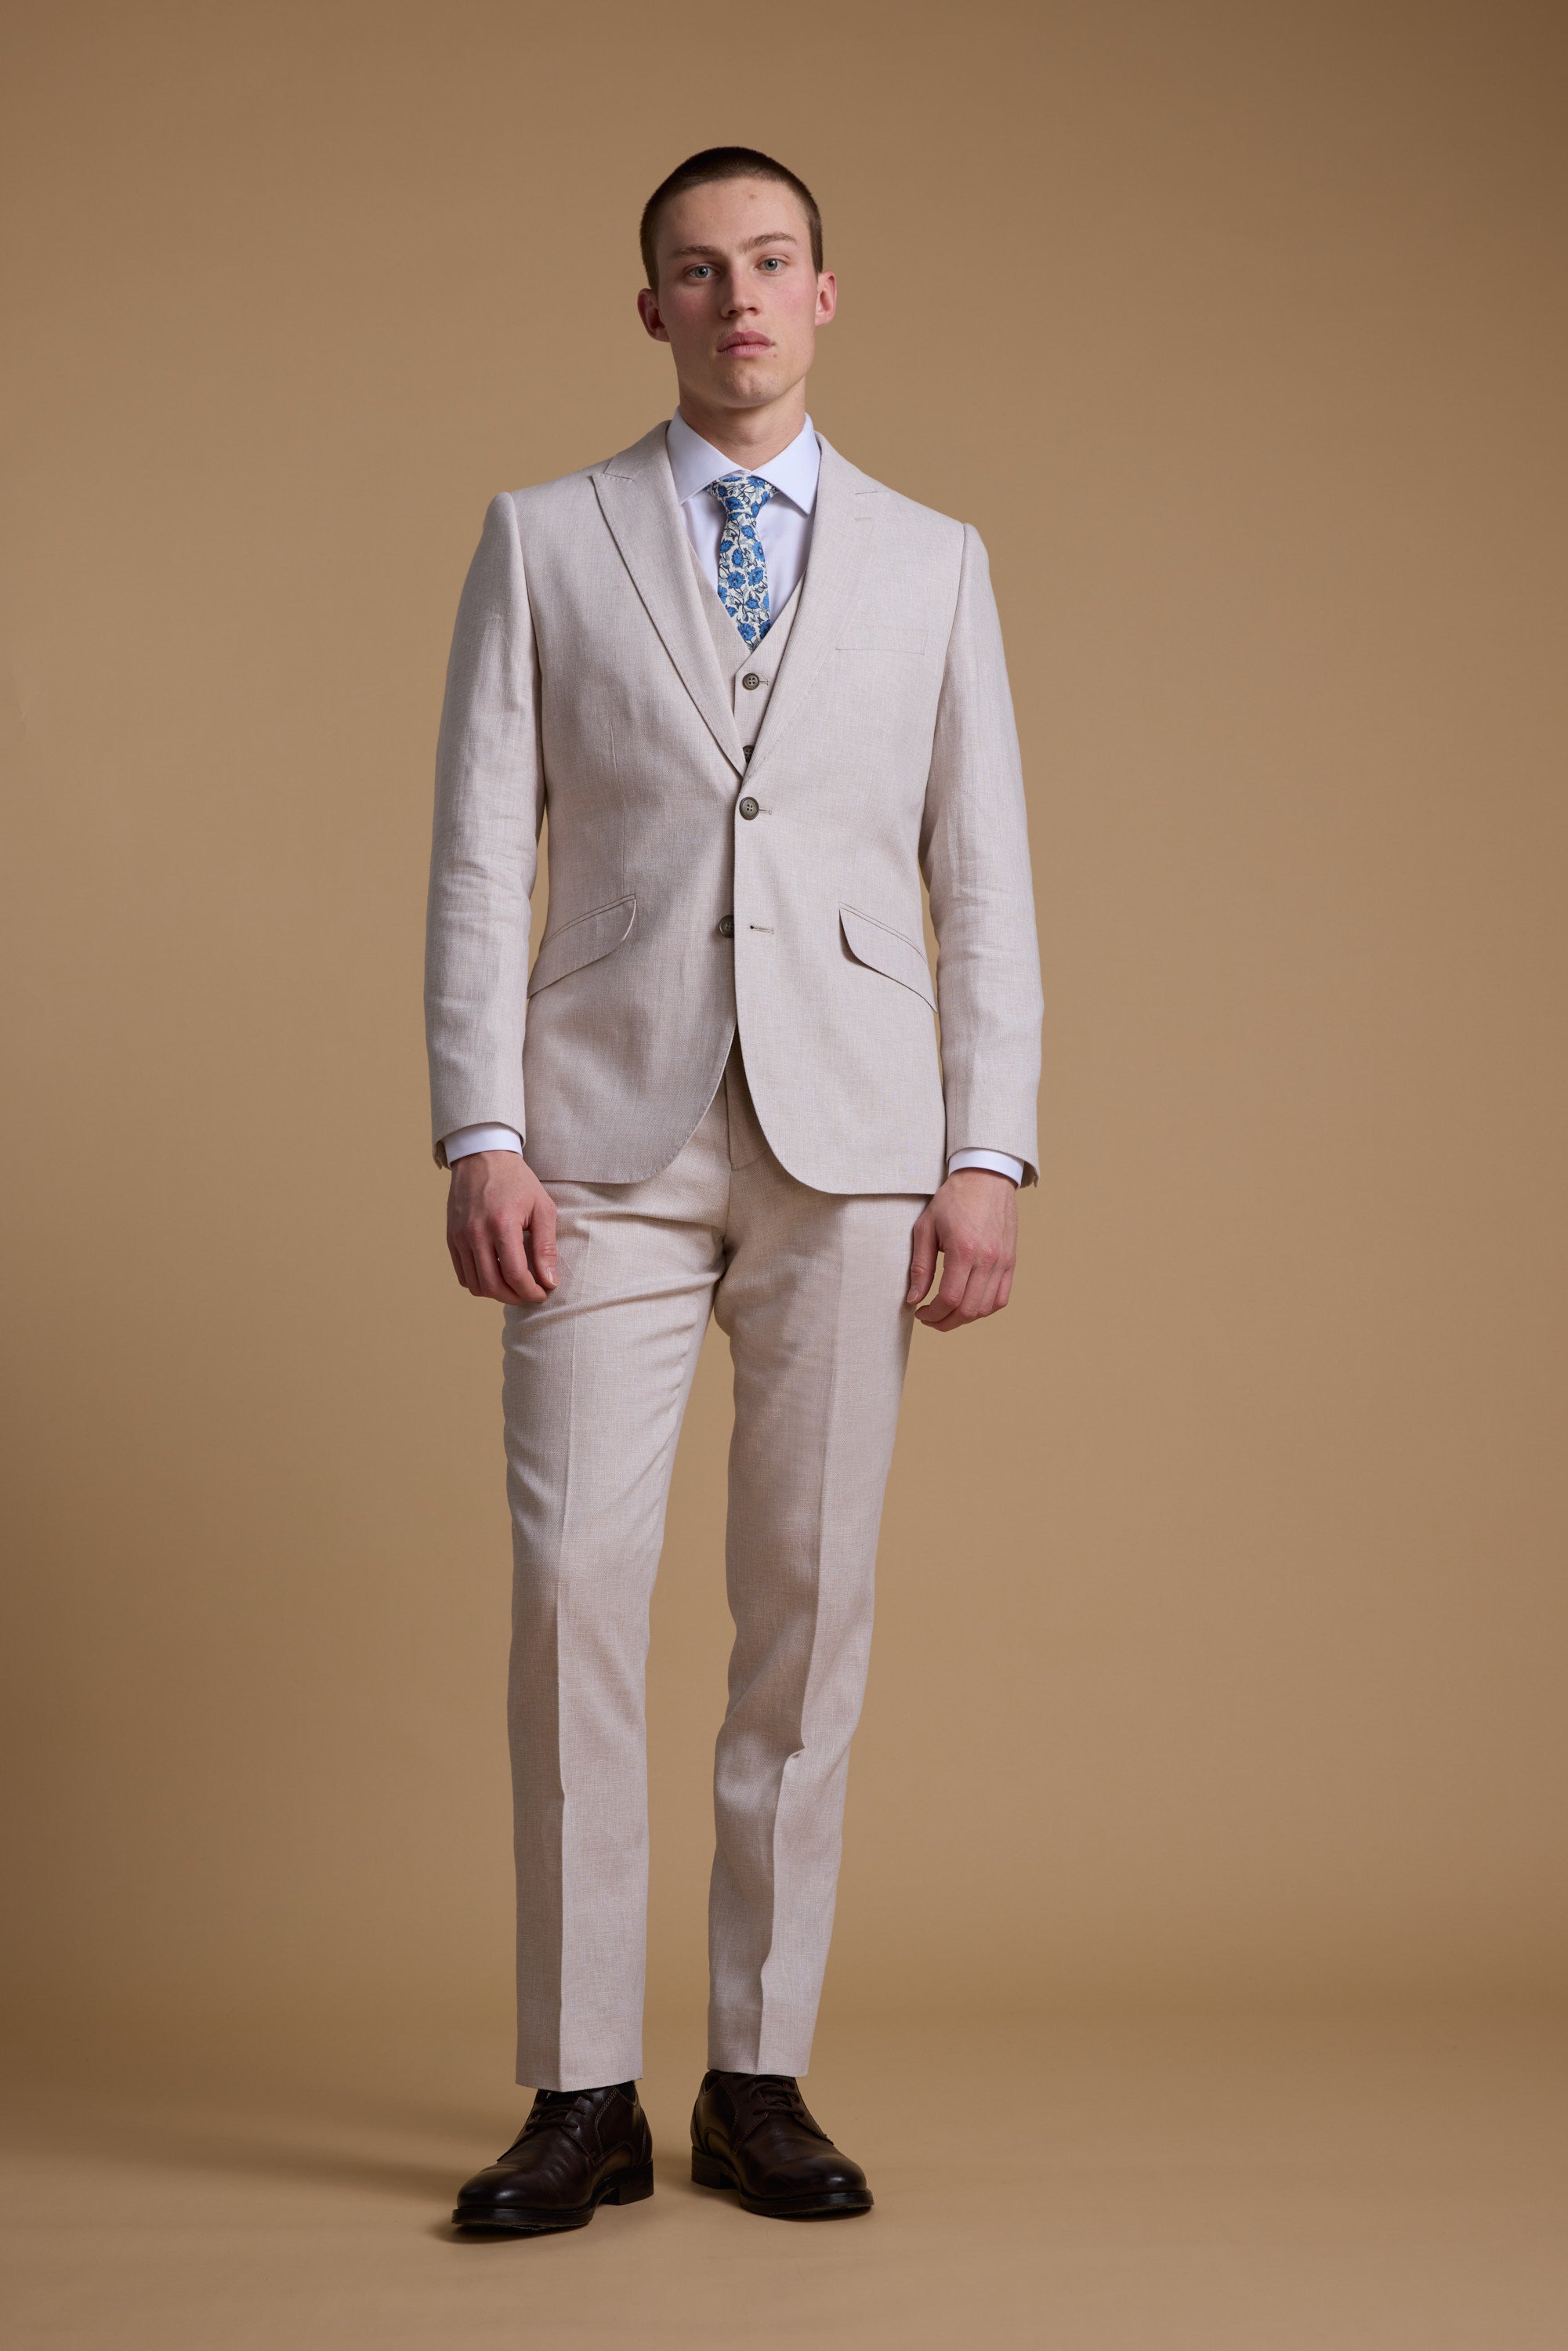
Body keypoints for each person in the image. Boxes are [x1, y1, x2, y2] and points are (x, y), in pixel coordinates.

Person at [425, 146, 1042, 2233]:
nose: (740, 301)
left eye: (771, 264)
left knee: (804, 1613)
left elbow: (983, 881)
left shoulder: (934, 561)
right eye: (699, 274)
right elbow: (477, 854)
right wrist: (473, 1126)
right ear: (653, 312)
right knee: (574, 1601)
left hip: (854, 1146)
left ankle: (756, 2074)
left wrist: (983, 1154)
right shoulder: (541, 540)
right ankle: (578, 2088)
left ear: (824, 293)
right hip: (594, 1136)